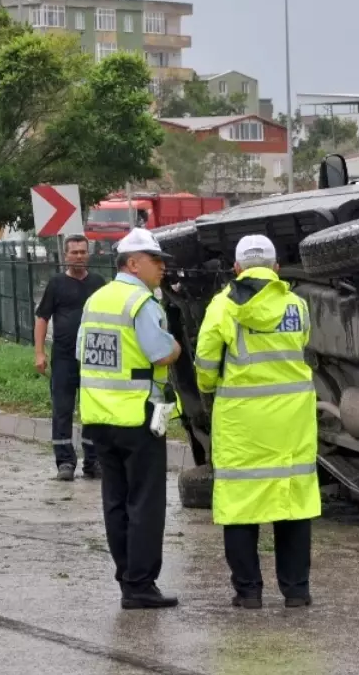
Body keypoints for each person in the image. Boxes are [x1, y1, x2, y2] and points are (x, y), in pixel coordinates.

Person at [194, 234, 320, 610]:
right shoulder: (297, 305)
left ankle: (248, 593)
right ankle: (296, 592)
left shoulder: (222, 307)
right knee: (293, 505)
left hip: (242, 425)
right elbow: (303, 347)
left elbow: (204, 362)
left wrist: (210, 387)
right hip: (292, 423)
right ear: (276, 268)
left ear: (236, 268)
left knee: (240, 506)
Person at [77, 227, 182, 609]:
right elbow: (159, 353)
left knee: (115, 502)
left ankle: (126, 578)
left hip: (98, 416)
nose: (162, 269)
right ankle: (141, 584)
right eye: (156, 261)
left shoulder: (97, 299)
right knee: (146, 503)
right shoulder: (141, 303)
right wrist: (176, 347)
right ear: (133, 263)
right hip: (137, 417)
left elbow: (82, 354)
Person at [34, 235, 107, 481]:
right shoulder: (56, 284)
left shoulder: (98, 283)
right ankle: (65, 463)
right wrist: (40, 352)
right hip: (64, 358)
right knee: (62, 410)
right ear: (65, 256)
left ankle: (93, 461)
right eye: (74, 252)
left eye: (82, 252)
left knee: (92, 411)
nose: (78, 256)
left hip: (93, 359)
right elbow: (42, 318)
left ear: (88, 254)